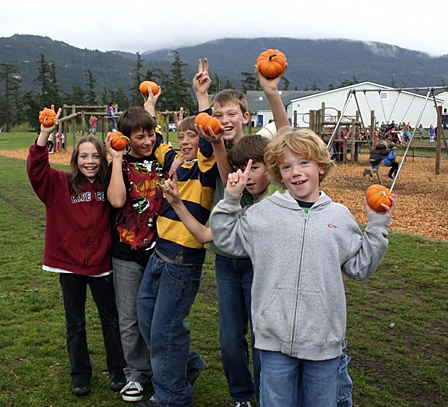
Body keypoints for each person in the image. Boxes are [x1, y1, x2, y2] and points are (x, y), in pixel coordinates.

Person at [210, 127, 396, 407]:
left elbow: (360, 267)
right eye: (287, 166)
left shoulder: (339, 217)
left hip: (324, 340)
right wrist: (231, 200)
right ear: (279, 174)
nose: (295, 172)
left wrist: (378, 224)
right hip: (274, 339)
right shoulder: (262, 214)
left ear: (321, 167)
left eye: (304, 163)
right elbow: (226, 239)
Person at [27, 105, 126, 397]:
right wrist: (45, 134)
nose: (90, 161)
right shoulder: (59, 185)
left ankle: (118, 371)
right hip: (69, 265)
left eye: (95, 156)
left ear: (103, 158)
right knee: (76, 323)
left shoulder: (110, 184)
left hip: (102, 264)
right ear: (75, 159)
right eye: (84, 156)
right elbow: (36, 170)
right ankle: (80, 375)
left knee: (111, 320)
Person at [104, 96, 178, 402]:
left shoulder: (161, 158)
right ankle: (135, 373)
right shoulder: (118, 165)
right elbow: (118, 201)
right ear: (126, 138)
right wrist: (118, 159)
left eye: (150, 135)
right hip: (126, 252)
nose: (147, 140)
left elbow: (169, 148)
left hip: (162, 250)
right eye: (139, 136)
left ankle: (164, 370)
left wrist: (151, 105)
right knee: (130, 317)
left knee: (159, 317)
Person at [195, 81, 260, 406]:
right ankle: (242, 396)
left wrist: (219, 143)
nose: (224, 118)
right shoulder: (211, 144)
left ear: (245, 116)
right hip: (224, 257)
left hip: (257, 259)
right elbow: (204, 128)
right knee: (230, 337)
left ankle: (267, 392)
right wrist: (203, 100)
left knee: (262, 333)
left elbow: (228, 178)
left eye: (231, 113)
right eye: (219, 114)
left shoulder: (255, 149)